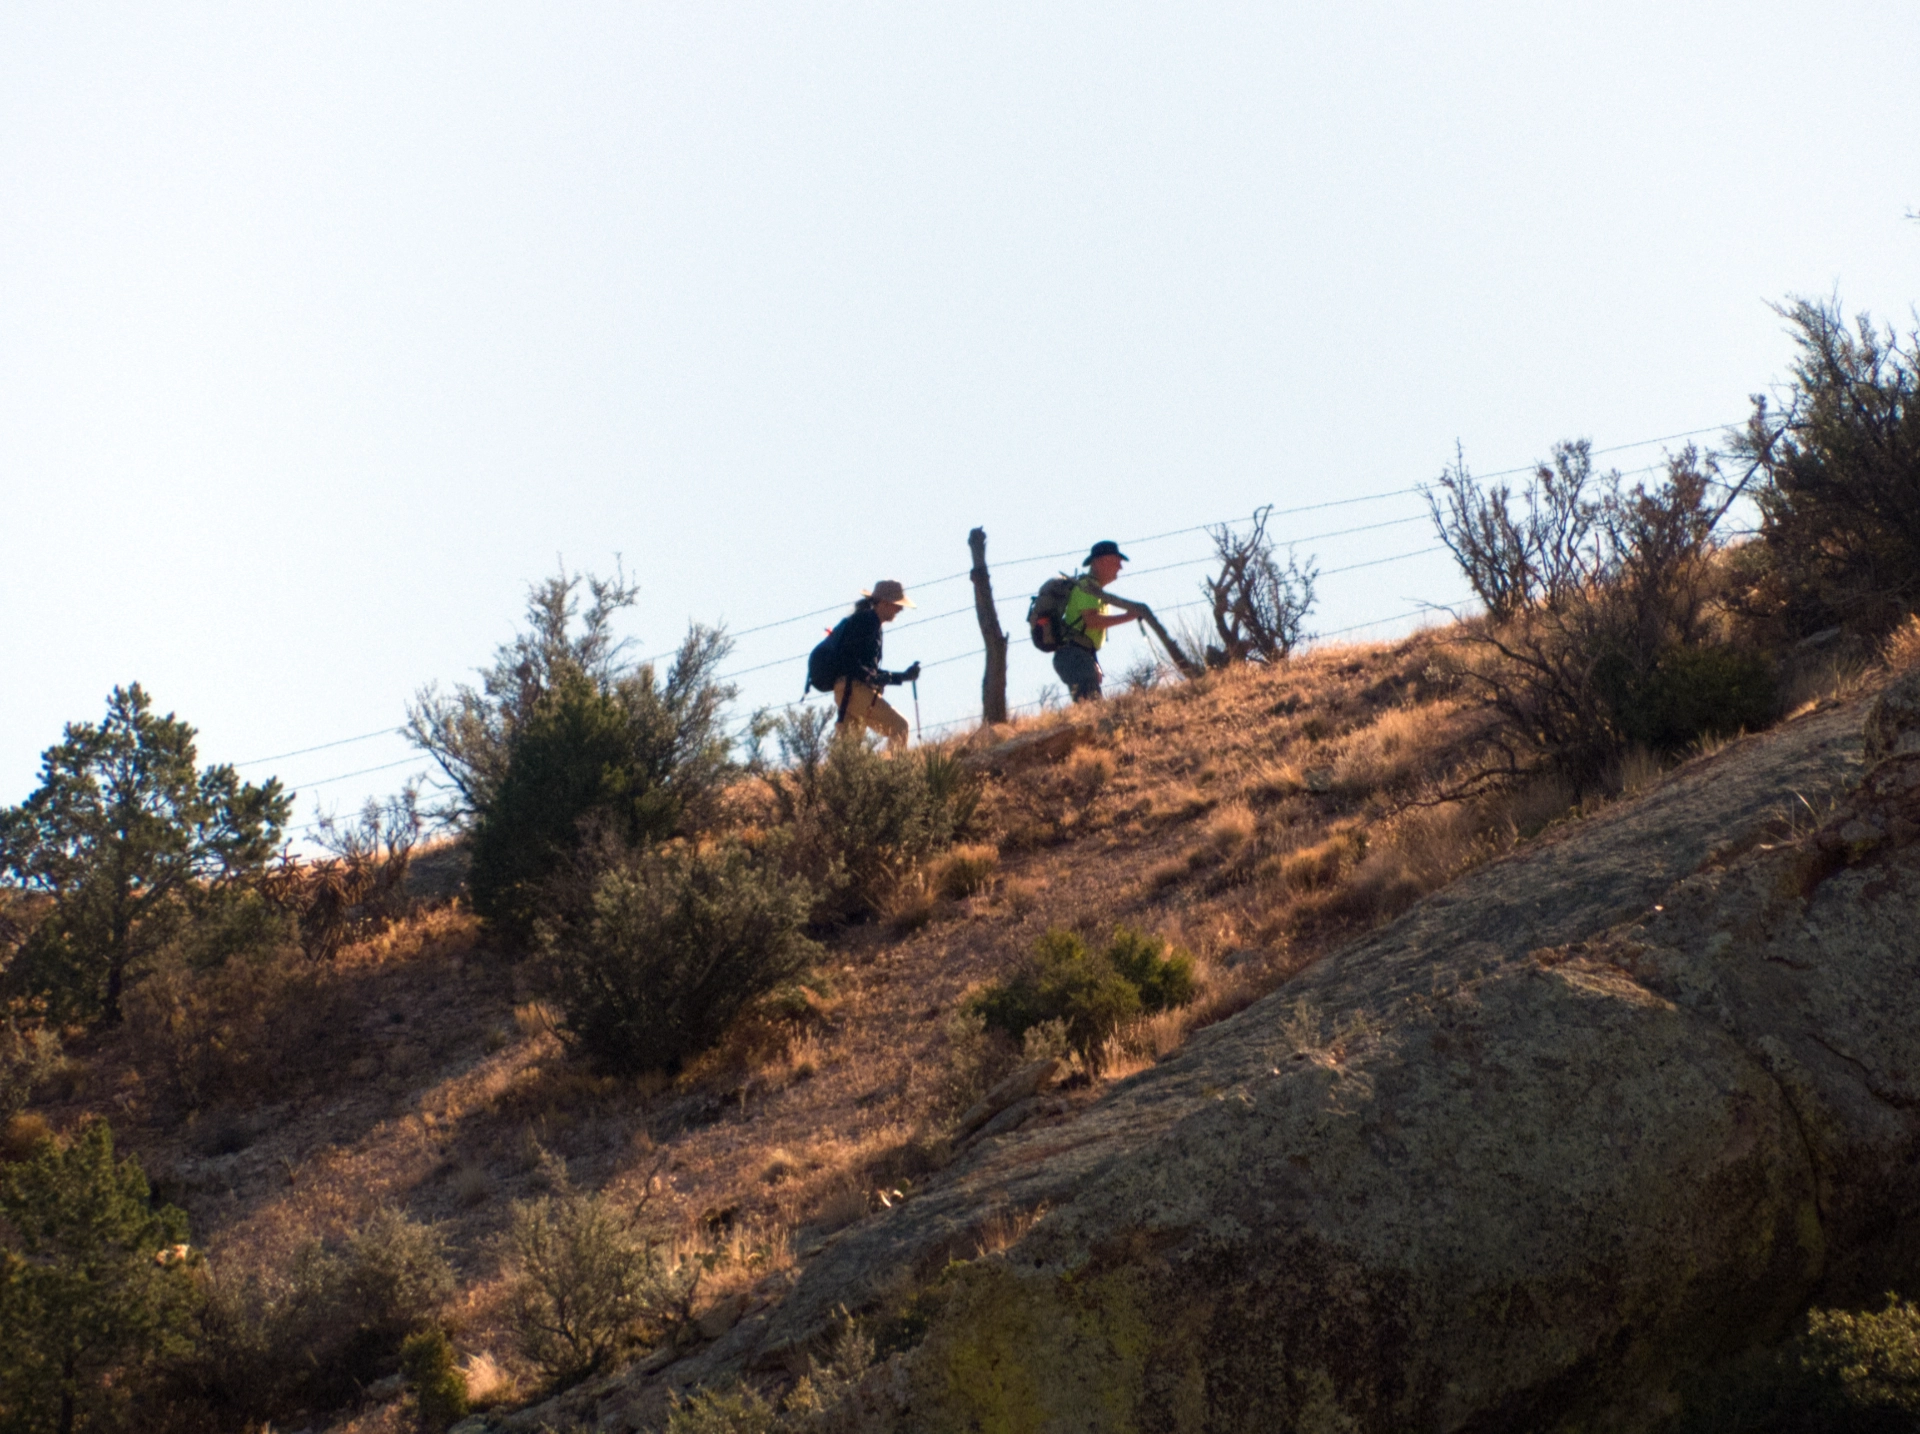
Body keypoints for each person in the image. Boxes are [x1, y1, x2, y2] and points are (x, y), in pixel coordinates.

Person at [831, 579, 922, 750]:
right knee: (900, 727)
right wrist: (869, 676)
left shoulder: (868, 622)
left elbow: (866, 668)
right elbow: (848, 658)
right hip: (854, 689)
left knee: (848, 753)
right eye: (897, 605)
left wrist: (903, 676)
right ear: (885, 603)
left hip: (847, 690)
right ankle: (895, 774)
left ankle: (839, 777)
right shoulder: (867, 622)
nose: (900, 609)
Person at [1055, 540, 1139, 702]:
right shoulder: (1088, 587)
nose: (1120, 567)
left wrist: (1093, 664)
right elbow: (1091, 621)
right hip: (1075, 655)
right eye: (1117, 562)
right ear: (1100, 561)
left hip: (1079, 655)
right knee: (1091, 708)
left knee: (1092, 707)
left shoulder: (1093, 589)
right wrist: (1128, 616)